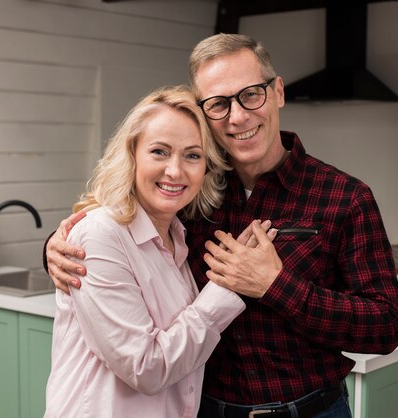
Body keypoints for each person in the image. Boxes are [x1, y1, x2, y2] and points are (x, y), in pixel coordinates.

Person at [45, 34, 398, 418]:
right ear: (205, 113)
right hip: (206, 410)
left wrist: (276, 285)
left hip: (312, 410)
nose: (237, 117)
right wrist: (55, 245)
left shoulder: (344, 197)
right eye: (218, 104)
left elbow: (385, 326)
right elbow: (118, 226)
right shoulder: (191, 191)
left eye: (251, 94)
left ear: (278, 92)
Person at [43, 85, 277, 418]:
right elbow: (145, 367)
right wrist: (227, 286)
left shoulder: (179, 236)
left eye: (192, 155)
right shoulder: (100, 235)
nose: (175, 171)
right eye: (159, 152)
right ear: (132, 154)